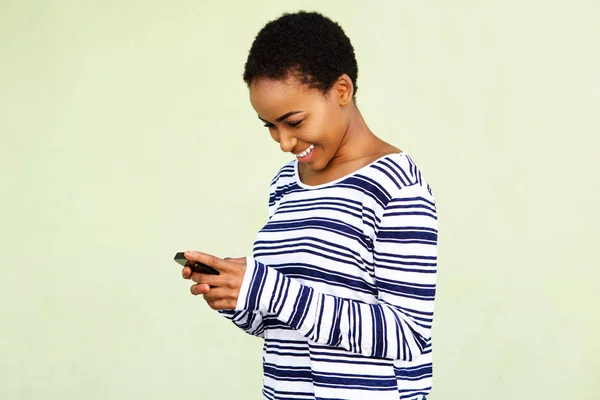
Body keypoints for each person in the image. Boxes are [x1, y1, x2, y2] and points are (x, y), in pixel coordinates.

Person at [181, 11, 438, 400]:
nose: (284, 142)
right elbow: (280, 322)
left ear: (341, 91)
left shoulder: (396, 185)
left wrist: (267, 287)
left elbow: (408, 337)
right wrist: (236, 295)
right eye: (269, 125)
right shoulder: (286, 183)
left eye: (294, 121)